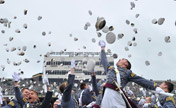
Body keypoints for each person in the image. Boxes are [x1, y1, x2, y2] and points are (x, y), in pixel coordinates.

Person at [98, 40, 167, 108]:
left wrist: (155, 87)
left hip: (116, 95)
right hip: (106, 95)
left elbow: (141, 80)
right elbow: (104, 60)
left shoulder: (128, 72)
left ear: (126, 64)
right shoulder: (110, 69)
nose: (119, 59)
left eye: (122, 59)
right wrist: (102, 48)